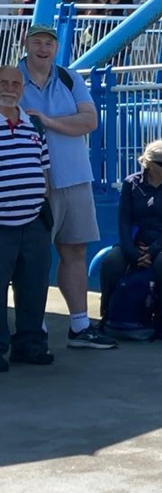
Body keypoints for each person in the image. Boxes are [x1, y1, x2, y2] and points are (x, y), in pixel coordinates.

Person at [19, 24, 113, 349]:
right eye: (37, 43)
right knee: (32, 258)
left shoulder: (70, 78)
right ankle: (34, 328)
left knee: (75, 250)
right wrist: (67, 122)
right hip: (30, 183)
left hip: (75, 177)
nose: (43, 49)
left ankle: (79, 326)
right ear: (25, 44)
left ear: (56, 48)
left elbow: (89, 121)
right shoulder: (11, 79)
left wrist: (47, 121)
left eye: (49, 43)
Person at [99, 139, 162, 333]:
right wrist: (132, 252)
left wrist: (154, 250)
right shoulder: (132, 183)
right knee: (111, 263)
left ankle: (161, 316)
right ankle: (107, 314)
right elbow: (124, 220)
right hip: (136, 239)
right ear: (150, 164)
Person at [0, 65, 52, 370]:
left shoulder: (34, 125)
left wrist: (45, 208)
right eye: (3, 82)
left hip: (34, 222)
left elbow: (44, 170)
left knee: (33, 287)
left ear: (22, 88)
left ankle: (29, 345)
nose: (9, 87)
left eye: (15, 83)